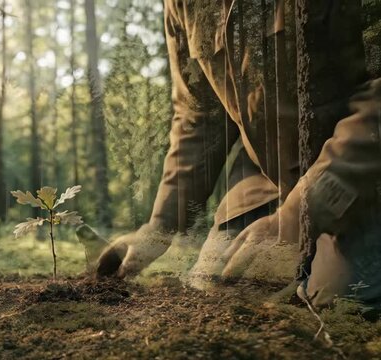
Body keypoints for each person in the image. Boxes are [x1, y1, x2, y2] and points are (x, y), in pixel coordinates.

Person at [88, 0, 381, 308]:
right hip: (267, 184)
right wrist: (159, 227)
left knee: (330, 307)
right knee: (212, 298)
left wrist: (301, 216)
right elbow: (198, 116)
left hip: (362, 181)